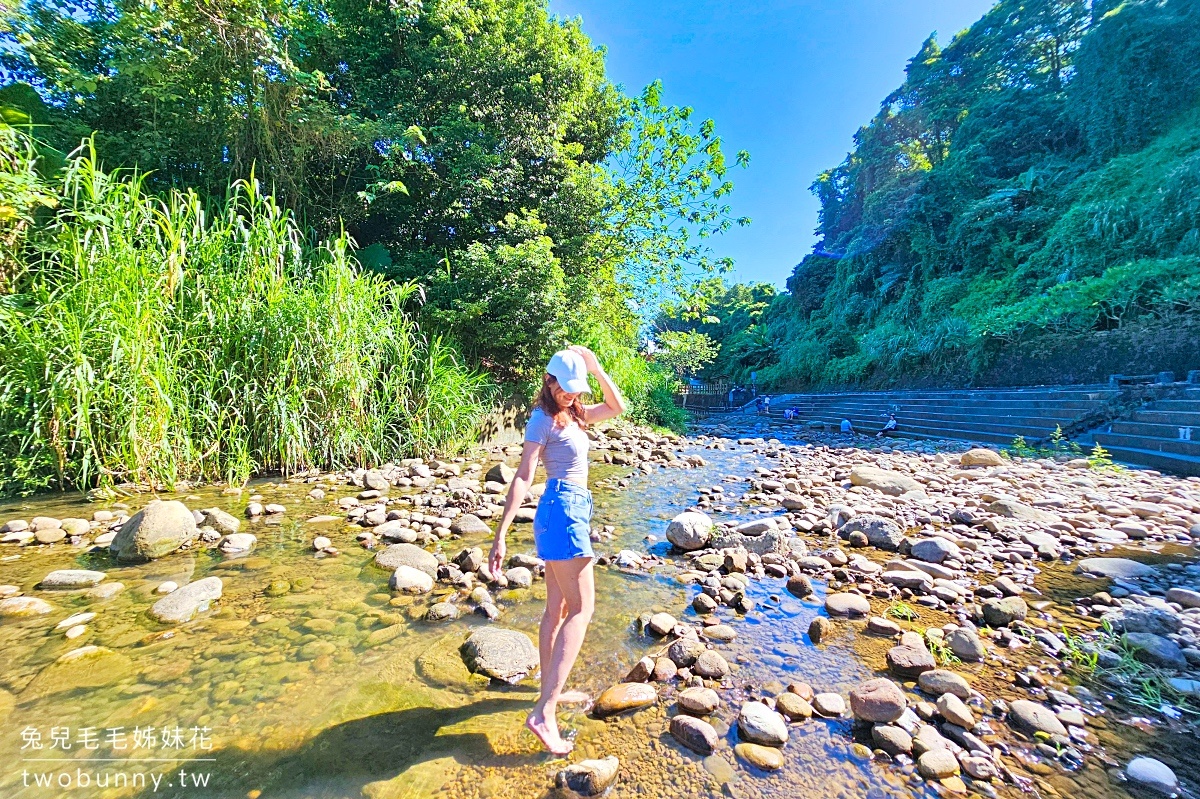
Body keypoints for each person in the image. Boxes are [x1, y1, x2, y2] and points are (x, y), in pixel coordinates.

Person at [489, 345, 626, 755]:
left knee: (557, 611)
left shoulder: (577, 414)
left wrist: (596, 366)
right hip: (562, 508)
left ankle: (548, 691)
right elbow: (523, 475)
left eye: (574, 389)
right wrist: (501, 531)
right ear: (547, 382)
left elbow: (617, 406)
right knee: (584, 610)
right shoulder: (541, 418)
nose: (569, 394)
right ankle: (544, 712)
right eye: (564, 388)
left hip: (566, 509)